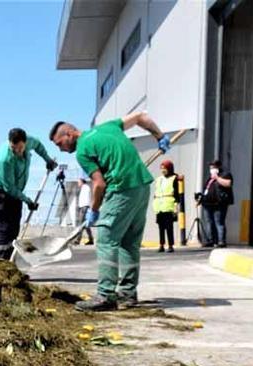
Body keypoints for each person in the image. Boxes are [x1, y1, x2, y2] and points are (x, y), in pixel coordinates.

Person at [49, 113, 171, 312]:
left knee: (106, 240)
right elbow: (140, 116)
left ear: (70, 134)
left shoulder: (82, 150)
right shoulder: (108, 127)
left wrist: (94, 210)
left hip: (121, 190)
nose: (61, 149)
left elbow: (99, 184)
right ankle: (128, 293)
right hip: (141, 188)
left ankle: (105, 295)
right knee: (129, 243)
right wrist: (159, 136)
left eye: (59, 143)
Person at [0, 127, 57, 260]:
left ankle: (11, 258)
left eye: (20, 148)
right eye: (14, 148)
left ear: (25, 143)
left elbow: (38, 145)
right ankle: (2, 261)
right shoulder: (4, 159)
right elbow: (9, 187)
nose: (17, 151)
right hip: (1, 193)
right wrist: (28, 201)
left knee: (14, 227)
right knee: (3, 228)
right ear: (10, 143)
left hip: (17, 192)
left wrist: (48, 160)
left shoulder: (30, 141)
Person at [198, 159, 234, 248]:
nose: (212, 169)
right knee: (209, 222)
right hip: (207, 203)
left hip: (219, 203)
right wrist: (201, 198)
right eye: (211, 167)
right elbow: (207, 189)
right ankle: (210, 240)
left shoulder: (225, 175)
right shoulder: (210, 178)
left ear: (218, 167)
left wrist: (217, 178)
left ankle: (221, 241)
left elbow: (228, 184)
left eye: (213, 167)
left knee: (219, 222)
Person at [153, 160, 180, 253]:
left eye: (165, 168)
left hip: (169, 206)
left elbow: (176, 194)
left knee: (169, 227)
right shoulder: (159, 179)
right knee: (160, 227)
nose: (163, 170)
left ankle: (170, 245)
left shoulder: (174, 178)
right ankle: (161, 244)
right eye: (162, 168)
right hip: (159, 206)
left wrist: (176, 206)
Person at [75, 177, 94, 245]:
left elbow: (85, 199)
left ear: (82, 182)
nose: (78, 184)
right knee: (86, 225)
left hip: (84, 207)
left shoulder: (85, 187)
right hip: (83, 207)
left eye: (79, 182)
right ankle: (91, 239)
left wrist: (83, 208)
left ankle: (78, 240)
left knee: (81, 224)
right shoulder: (84, 188)